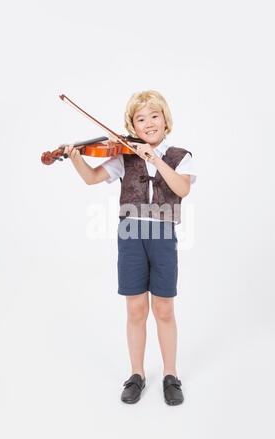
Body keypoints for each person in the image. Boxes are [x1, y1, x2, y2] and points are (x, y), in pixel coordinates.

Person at [61, 90, 197, 406]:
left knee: (164, 308)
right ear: (132, 126)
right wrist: (77, 159)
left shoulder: (179, 155)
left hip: (162, 235)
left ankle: (170, 375)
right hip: (130, 234)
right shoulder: (124, 155)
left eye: (154, 116)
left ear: (165, 120)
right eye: (140, 118)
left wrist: (156, 160)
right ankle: (136, 374)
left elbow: (182, 188)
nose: (148, 123)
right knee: (136, 308)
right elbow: (92, 178)